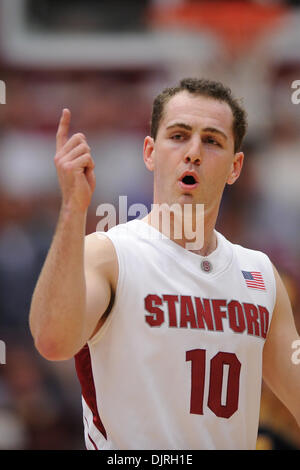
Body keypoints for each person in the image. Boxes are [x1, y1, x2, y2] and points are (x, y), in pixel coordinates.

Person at [29, 78, 300, 450]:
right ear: (150, 152)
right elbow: (52, 340)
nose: (193, 152)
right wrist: (72, 211)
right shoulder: (108, 255)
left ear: (235, 167)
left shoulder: (261, 276)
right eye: (178, 135)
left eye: (212, 140)